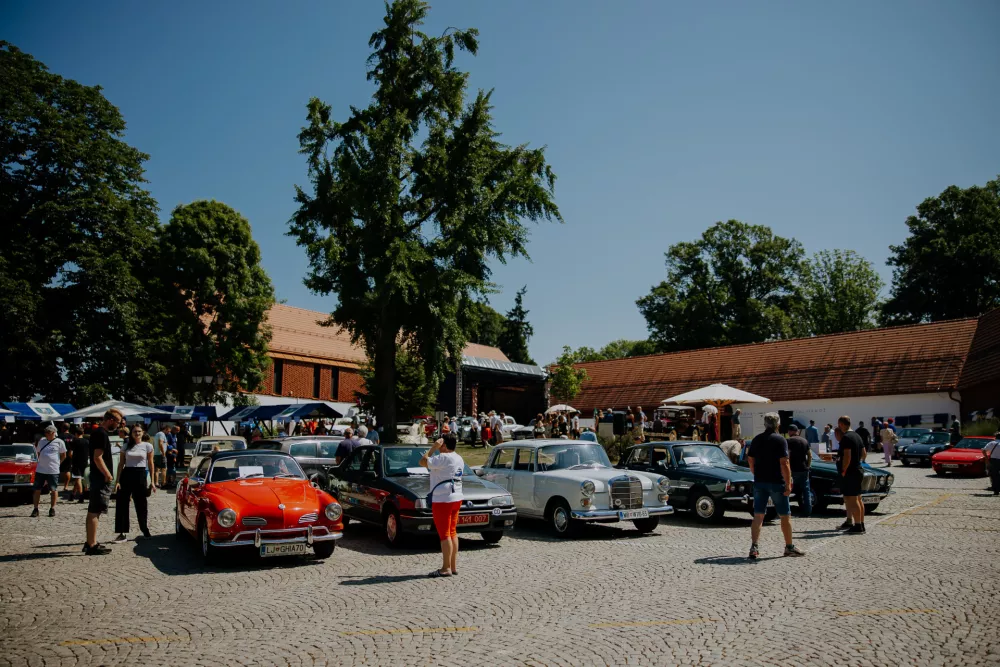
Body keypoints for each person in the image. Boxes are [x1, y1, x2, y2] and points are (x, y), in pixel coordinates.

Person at [747, 412, 804, 559]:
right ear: (778, 424)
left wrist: (755, 472)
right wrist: (788, 482)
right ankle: (789, 546)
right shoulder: (780, 440)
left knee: (758, 515)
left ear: (765, 424)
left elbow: (750, 458)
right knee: (785, 515)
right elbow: (784, 463)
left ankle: (754, 546)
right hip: (776, 481)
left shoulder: (757, 439)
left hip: (760, 481)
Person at [420, 432, 464, 577]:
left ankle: (445, 568)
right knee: (452, 532)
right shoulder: (459, 458)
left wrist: (432, 448)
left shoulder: (443, 457)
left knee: (445, 534)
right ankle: (453, 566)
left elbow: (422, 462)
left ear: (443, 444)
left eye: (440, 444)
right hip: (456, 496)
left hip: (442, 498)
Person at [85, 409, 123, 555]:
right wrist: (107, 474)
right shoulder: (101, 434)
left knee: (95, 510)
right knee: (95, 510)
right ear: (111, 420)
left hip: (97, 477)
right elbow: (97, 457)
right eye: (118, 422)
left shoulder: (98, 433)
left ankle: (90, 540)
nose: (119, 426)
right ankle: (91, 545)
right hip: (100, 478)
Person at [112, 425, 156, 542]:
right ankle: (121, 532)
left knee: (141, 503)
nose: (137, 433)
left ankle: (144, 528)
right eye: (135, 431)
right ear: (131, 433)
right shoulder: (126, 446)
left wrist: (152, 481)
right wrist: (117, 481)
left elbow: (151, 464)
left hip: (140, 474)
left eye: (139, 431)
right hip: (127, 474)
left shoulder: (147, 446)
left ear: (143, 433)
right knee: (122, 503)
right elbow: (121, 464)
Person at [836, 416, 866, 533]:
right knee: (857, 498)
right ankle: (861, 523)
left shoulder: (846, 437)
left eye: (839, 425)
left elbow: (847, 456)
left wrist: (844, 470)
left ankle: (858, 525)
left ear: (842, 424)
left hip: (851, 472)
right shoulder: (857, 435)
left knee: (853, 500)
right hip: (858, 469)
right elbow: (864, 453)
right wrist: (857, 461)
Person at [31, 425, 67, 517]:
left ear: (54, 433)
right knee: (37, 489)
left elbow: (63, 455)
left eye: (49, 433)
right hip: (41, 469)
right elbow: (38, 453)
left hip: (53, 470)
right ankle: (35, 509)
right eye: (46, 432)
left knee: (53, 489)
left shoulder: (59, 442)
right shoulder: (42, 441)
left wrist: (58, 463)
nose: (47, 434)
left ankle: (52, 508)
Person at [785, 424, 812, 516]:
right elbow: (810, 455)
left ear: (790, 431)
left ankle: (786, 511)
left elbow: (787, 456)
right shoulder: (804, 441)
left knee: (788, 489)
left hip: (793, 469)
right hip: (804, 469)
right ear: (797, 431)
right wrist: (808, 466)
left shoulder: (788, 441)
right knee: (806, 491)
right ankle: (807, 511)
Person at [68, 425, 88, 502]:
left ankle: (81, 495)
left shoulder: (74, 441)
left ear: (76, 433)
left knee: (78, 478)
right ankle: (72, 494)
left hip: (76, 462)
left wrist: (72, 457)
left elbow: (70, 453)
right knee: (79, 478)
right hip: (84, 461)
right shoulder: (87, 441)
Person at [984, 431, 1000, 495]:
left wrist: (987, 459)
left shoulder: (992, 443)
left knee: (994, 475)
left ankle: (996, 490)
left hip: (993, 461)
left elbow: (983, 450)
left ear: (995, 437)